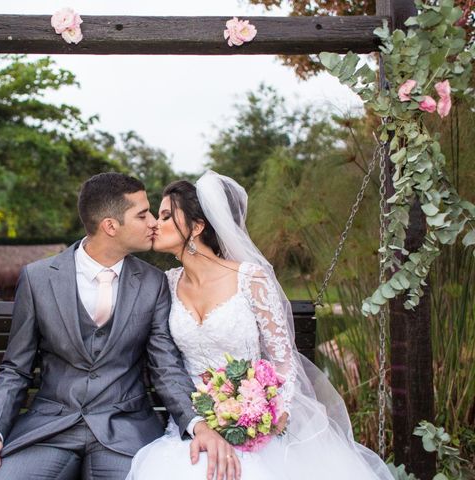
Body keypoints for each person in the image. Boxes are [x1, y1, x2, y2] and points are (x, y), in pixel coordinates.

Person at [0, 173, 241, 480]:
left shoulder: (153, 283)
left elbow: (165, 366)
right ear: (110, 226)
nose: (153, 222)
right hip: (49, 429)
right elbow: (15, 369)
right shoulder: (38, 278)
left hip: (124, 430)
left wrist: (197, 424)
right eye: (143, 214)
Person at [126, 171, 395, 479]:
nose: (154, 225)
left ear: (197, 226)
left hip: (254, 426)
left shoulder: (250, 279)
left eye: (165, 217)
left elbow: (283, 362)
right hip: (193, 426)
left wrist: (267, 413)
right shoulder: (167, 285)